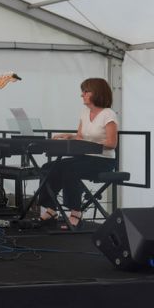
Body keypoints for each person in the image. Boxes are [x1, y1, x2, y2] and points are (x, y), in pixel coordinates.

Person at [38, 78, 118, 229]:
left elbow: (112, 143)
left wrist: (90, 144)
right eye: (83, 92)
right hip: (84, 157)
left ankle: (76, 213)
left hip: (103, 161)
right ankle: (51, 209)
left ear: (97, 93)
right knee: (47, 167)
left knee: (70, 170)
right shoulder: (85, 113)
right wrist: (70, 136)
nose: (82, 95)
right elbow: (81, 137)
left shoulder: (108, 114)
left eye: (86, 91)